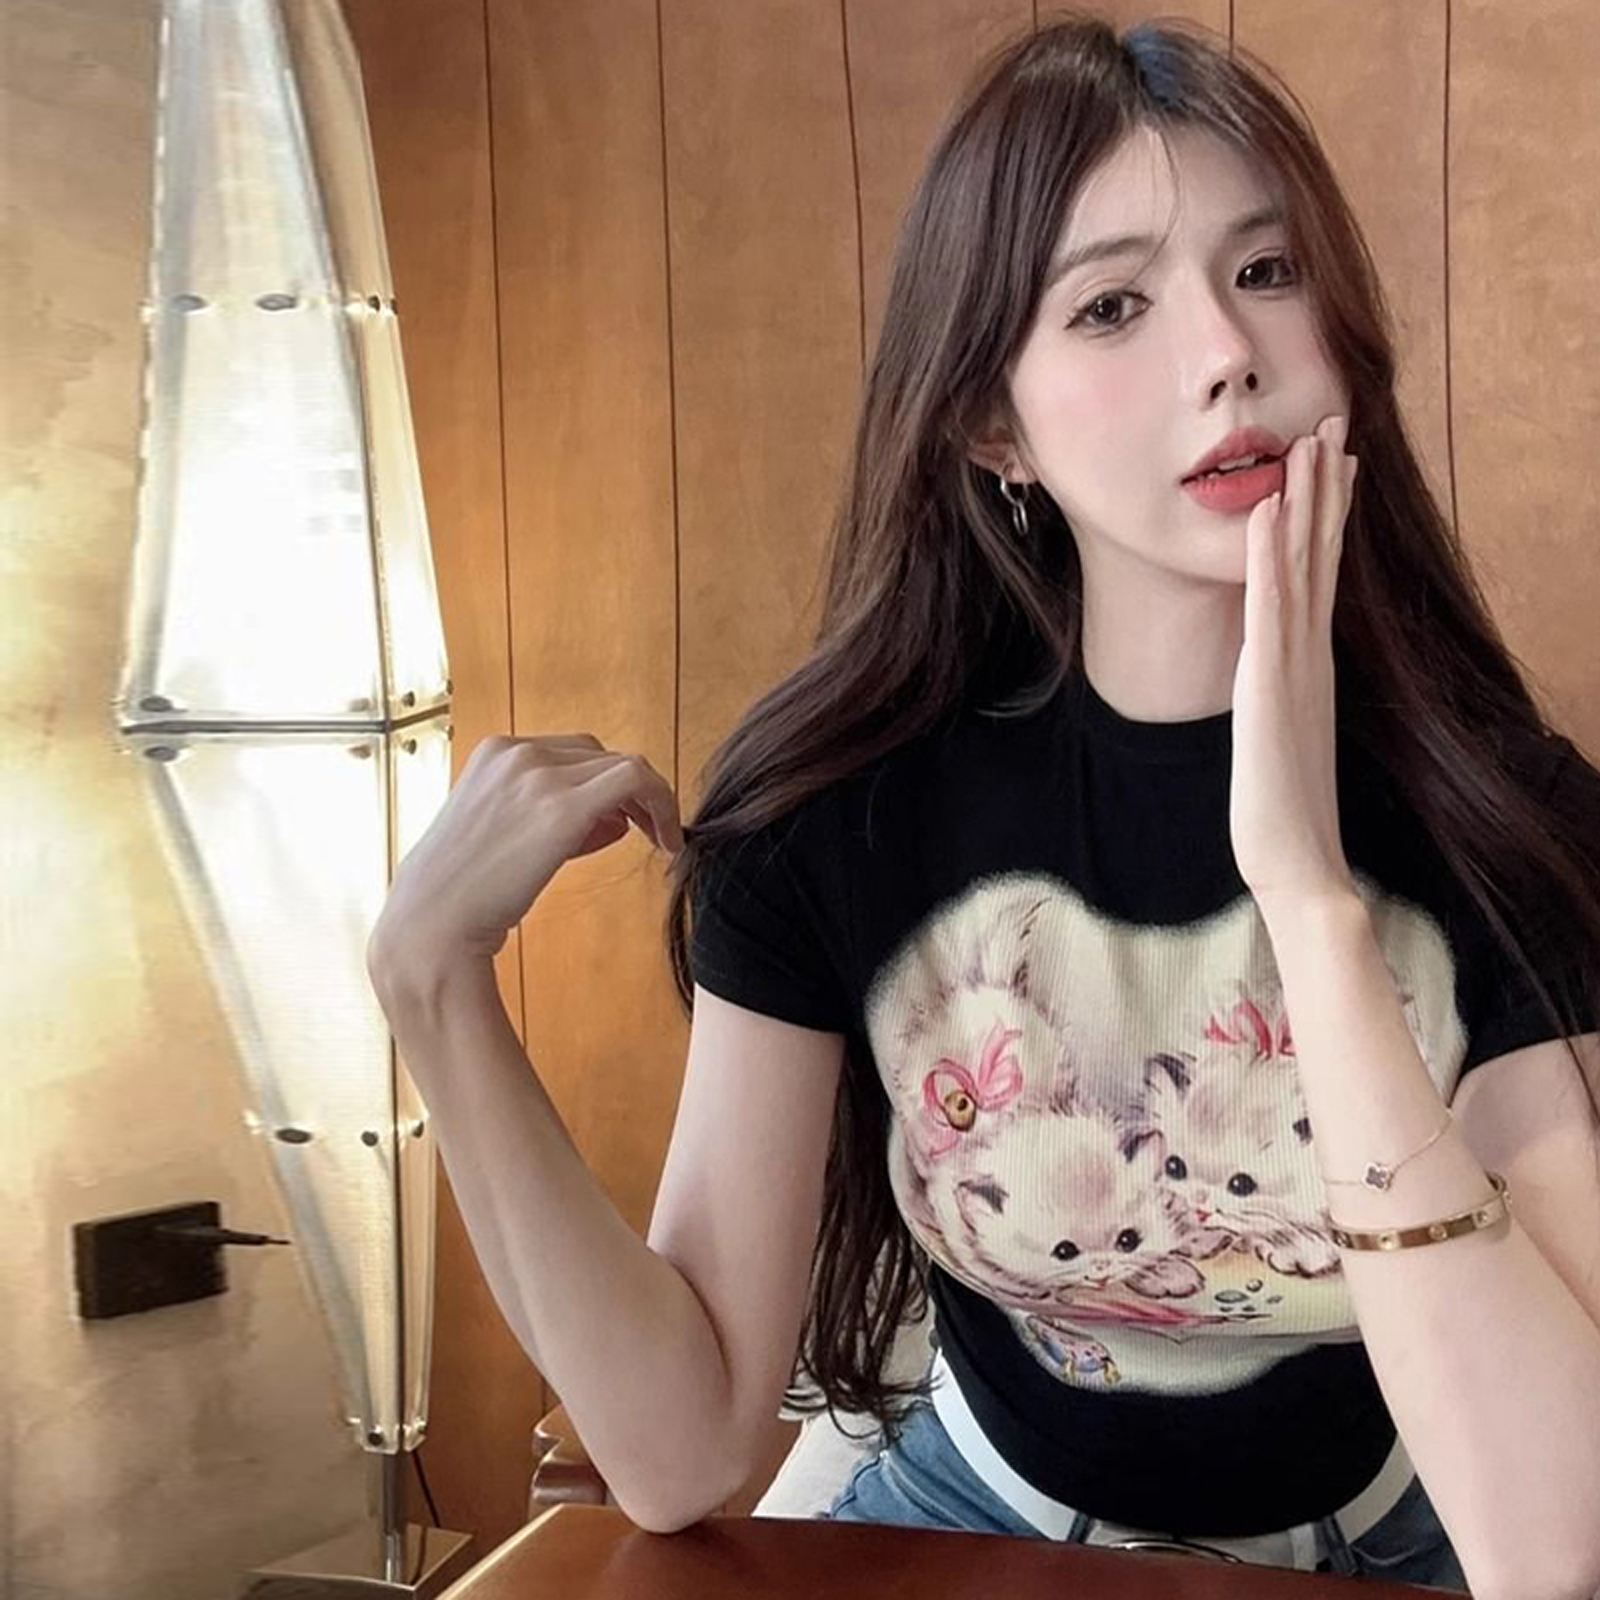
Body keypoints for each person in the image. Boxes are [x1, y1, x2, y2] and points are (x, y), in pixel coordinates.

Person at [365, 13, 1600, 1596]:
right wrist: (432, 986)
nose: (1225, 351)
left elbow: (1548, 1547)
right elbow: (676, 1455)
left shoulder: (1503, 820)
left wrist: (1310, 899)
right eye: (1112, 304)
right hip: (975, 1529)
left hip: (1401, 1539)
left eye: (1267, 270)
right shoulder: (843, 814)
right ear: (991, 424)